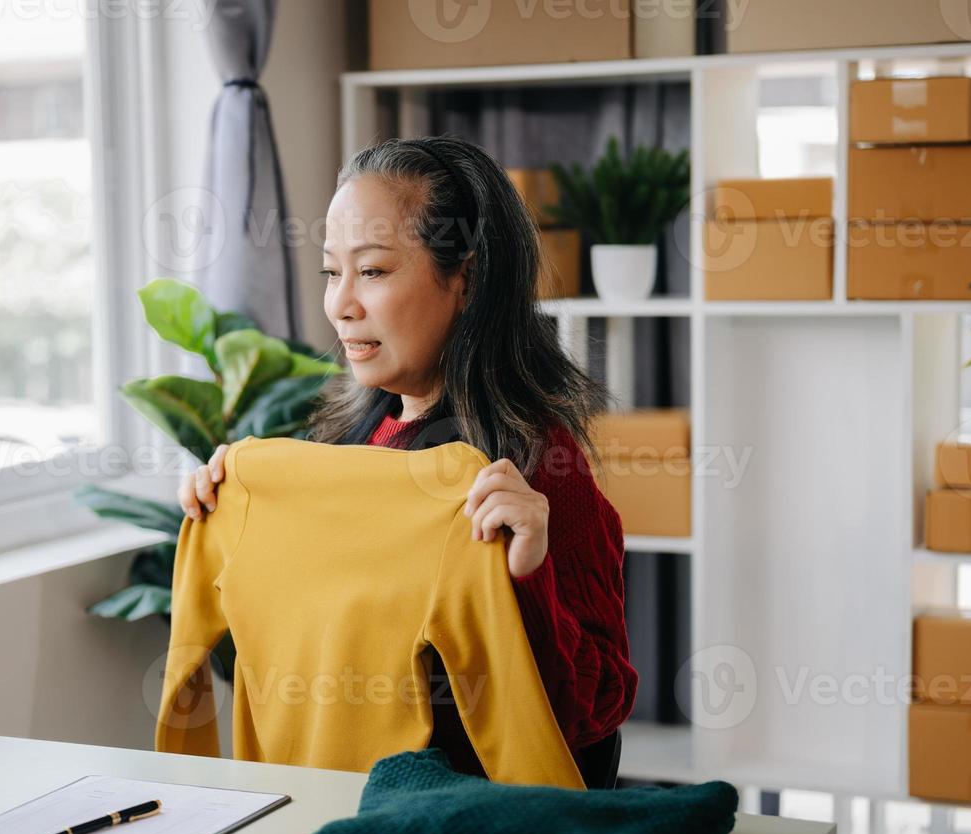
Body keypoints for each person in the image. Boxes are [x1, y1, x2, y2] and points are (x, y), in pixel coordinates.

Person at [175, 135, 637, 778]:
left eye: (373, 271)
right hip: (334, 810)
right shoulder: (339, 452)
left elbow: (596, 711)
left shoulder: (536, 467)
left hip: (457, 832)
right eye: (332, 273)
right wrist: (231, 508)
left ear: (466, 281)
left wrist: (527, 574)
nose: (341, 304)